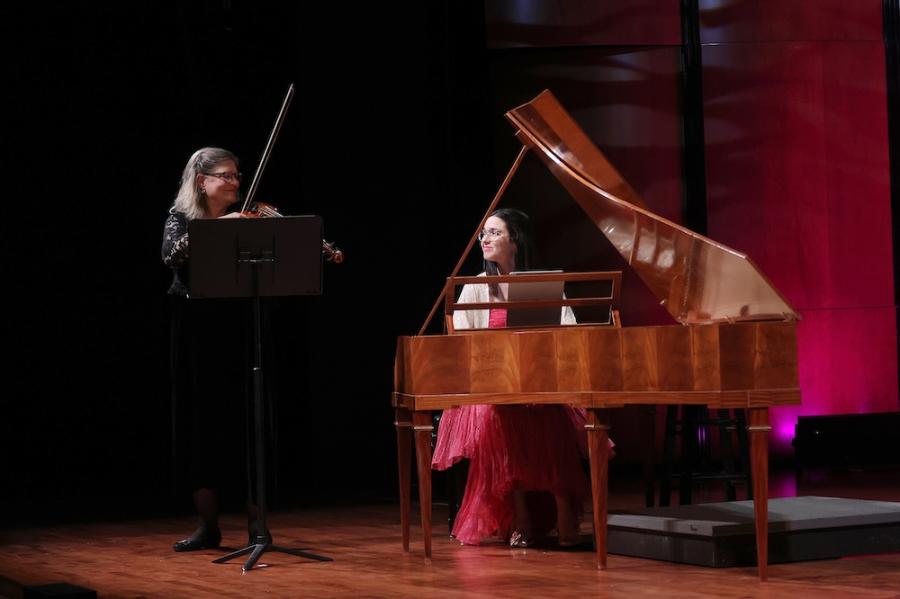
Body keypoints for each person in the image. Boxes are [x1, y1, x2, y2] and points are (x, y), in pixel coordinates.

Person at [432, 208, 609, 548]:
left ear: (516, 240)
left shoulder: (541, 285)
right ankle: (521, 513)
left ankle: (563, 509)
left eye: (494, 233)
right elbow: (462, 345)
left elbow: (567, 331)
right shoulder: (475, 289)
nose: (484, 239)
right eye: (483, 233)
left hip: (537, 381)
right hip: (493, 385)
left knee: (549, 413)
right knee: (499, 416)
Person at [162, 147, 258, 552]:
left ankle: (259, 527)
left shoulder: (250, 218)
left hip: (238, 326)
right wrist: (219, 230)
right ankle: (209, 526)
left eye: (238, 175)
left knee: (249, 423)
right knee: (201, 426)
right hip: (196, 331)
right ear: (202, 181)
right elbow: (172, 255)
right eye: (227, 176)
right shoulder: (179, 218)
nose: (237, 182)